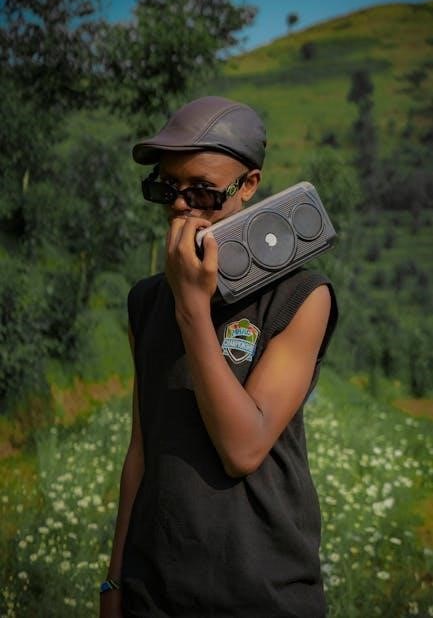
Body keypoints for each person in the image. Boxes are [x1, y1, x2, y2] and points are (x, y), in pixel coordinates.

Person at [100, 96, 339, 618]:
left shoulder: (300, 297)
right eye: (166, 189)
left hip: (264, 593)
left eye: (203, 191)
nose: (181, 206)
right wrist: (114, 581)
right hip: (153, 593)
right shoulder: (146, 301)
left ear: (248, 185)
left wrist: (192, 308)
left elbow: (243, 448)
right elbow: (141, 449)